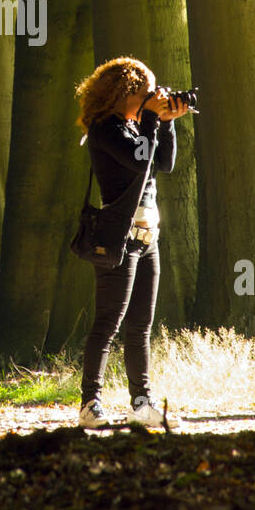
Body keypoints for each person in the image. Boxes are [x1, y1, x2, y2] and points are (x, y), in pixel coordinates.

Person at [74, 57, 189, 429]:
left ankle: (142, 402)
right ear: (125, 92)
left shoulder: (138, 126)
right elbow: (139, 161)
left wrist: (166, 123)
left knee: (140, 326)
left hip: (147, 236)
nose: (152, 98)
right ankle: (90, 404)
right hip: (118, 238)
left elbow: (164, 164)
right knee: (108, 322)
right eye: (146, 93)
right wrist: (153, 121)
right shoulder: (105, 129)